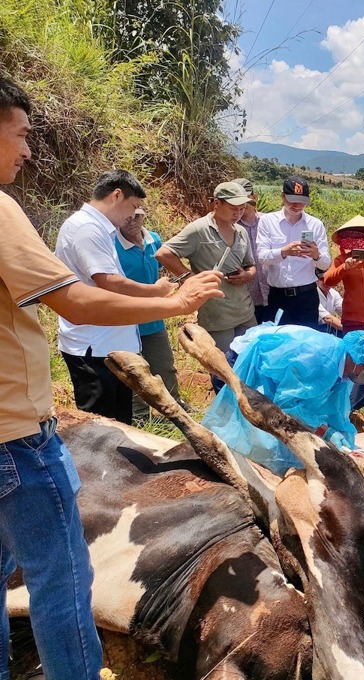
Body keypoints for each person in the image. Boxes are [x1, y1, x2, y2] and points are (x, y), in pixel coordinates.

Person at [0, 76, 222, 680]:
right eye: (20, 136)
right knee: (64, 573)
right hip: (16, 432)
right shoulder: (7, 209)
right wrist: (175, 303)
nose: (27, 151)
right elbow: (82, 300)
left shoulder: (109, 228)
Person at [56, 170, 176, 424]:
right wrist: (156, 292)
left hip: (107, 344)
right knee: (100, 428)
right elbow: (108, 281)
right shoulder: (87, 228)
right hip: (95, 346)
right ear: (116, 195)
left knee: (118, 423)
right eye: (133, 206)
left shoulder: (100, 229)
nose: (133, 214)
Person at [202, 327, 364, 473]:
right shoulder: (320, 361)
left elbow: (337, 408)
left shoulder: (346, 366)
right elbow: (286, 405)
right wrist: (325, 431)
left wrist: (347, 440)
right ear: (362, 362)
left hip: (281, 373)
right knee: (254, 432)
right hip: (251, 360)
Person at [155, 181, 258, 389]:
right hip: (217, 312)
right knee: (223, 368)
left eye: (241, 208)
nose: (238, 213)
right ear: (216, 204)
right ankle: (223, 414)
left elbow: (251, 265)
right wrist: (190, 278)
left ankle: (247, 412)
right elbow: (163, 253)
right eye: (233, 208)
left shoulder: (241, 232)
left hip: (245, 310)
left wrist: (247, 275)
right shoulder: (199, 230)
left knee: (250, 362)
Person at [114, 206, 185, 421]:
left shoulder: (153, 239)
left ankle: (174, 408)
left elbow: (164, 264)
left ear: (144, 215)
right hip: (128, 318)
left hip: (154, 316)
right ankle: (140, 417)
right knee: (134, 369)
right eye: (128, 216)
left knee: (164, 364)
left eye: (137, 215)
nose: (132, 220)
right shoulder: (112, 244)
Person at [256, 176, 331, 329]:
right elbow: (262, 257)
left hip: (306, 296)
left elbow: (326, 264)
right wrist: (284, 252)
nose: (297, 206)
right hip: (278, 296)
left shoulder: (315, 225)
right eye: (292, 200)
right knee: (278, 342)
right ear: (282, 196)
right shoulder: (267, 221)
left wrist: (316, 254)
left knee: (306, 343)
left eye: (302, 201)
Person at [233, 177, 271, 323]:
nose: (239, 205)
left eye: (243, 199)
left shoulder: (270, 222)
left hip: (274, 295)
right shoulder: (230, 227)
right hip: (245, 300)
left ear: (254, 197)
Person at [316, 268, 344, 337]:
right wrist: (349, 329)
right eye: (322, 279)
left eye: (329, 279)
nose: (326, 282)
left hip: (328, 328)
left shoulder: (334, 293)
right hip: (314, 330)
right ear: (317, 280)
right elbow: (327, 318)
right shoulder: (312, 295)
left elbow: (345, 310)